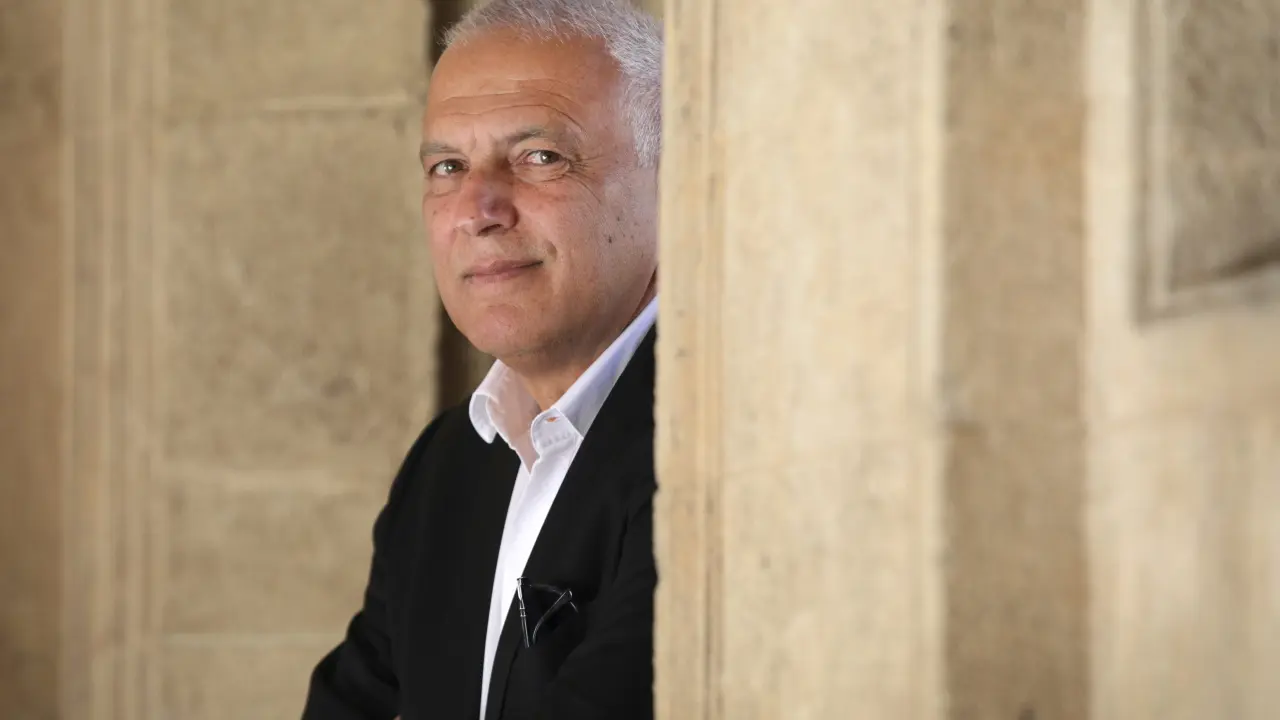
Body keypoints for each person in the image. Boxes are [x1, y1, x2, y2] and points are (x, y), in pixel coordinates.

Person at [301, 1, 662, 718]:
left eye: (540, 157)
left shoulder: (713, 445)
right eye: (448, 166)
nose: (478, 208)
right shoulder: (447, 465)